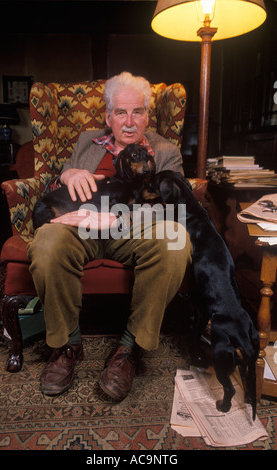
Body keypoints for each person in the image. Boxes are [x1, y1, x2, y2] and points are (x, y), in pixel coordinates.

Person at [27, 71, 193, 400]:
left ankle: (128, 349)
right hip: (79, 226)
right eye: (120, 112)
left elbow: (174, 205)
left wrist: (116, 218)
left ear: (148, 115)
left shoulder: (165, 151)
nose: (129, 122)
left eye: (138, 112)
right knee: (46, 243)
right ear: (108, 116)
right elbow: (59, 193)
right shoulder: (87, 140)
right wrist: (67, 174)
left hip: (135, 230)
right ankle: (67, 345)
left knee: (176, 240)